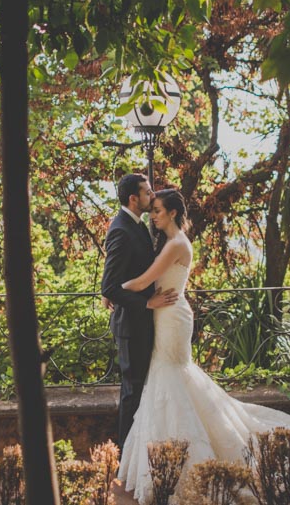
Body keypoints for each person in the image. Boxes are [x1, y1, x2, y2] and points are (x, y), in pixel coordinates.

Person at [117, 188, 290, 504]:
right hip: (167, 313)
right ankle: (169, 462)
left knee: (171, 378)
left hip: (171, 317)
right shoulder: (172, 243)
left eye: (158, 210)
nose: (153, 215)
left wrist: (113, 290)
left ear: (172, 212)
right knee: (174, 379)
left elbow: (144, 281)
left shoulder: (175, 244)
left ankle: (185, 465)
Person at [101, 173, 178, 449]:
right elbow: (109, 285)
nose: (152, 195)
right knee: (132, 393)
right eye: (147, 192)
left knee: (139, 390)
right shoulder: (122, 228)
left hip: (142, 322)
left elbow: (120, 278)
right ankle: (124, 458)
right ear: (134, 199)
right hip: (131, 325)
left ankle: (136, 453)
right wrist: (147, 303)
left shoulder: (137, 223)